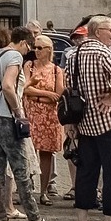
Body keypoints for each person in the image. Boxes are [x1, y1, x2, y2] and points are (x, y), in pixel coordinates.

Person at [0, 27, 54, 221]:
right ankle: (35, 219)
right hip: (5, 116)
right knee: (20, 167)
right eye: (29, 47)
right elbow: (7, 86)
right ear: (23, 43)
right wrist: (18, 111)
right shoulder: (14, 57)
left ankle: (1, 217)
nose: (29, 52)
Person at [69, 15, 111, 221]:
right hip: (109, 121)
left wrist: (71, 123)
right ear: (97, 31)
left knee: (86, 173)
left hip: (85, 122)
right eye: (110, 29)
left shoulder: (75, 54)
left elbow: (70, 88)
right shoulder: (104, 52)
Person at [21, 32, 67, 204]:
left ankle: (44, 191)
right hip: (31, 114)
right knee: (27, 151)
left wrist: (36, 95)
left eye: (40, 48)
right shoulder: (29, 65)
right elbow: (25, 88)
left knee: (46, 153)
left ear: (49, 50)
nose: (37, 51)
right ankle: (26, 189)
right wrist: (45, 94)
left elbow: (59, 94)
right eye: (35, 47)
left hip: (49, 117)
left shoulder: (56, 70)